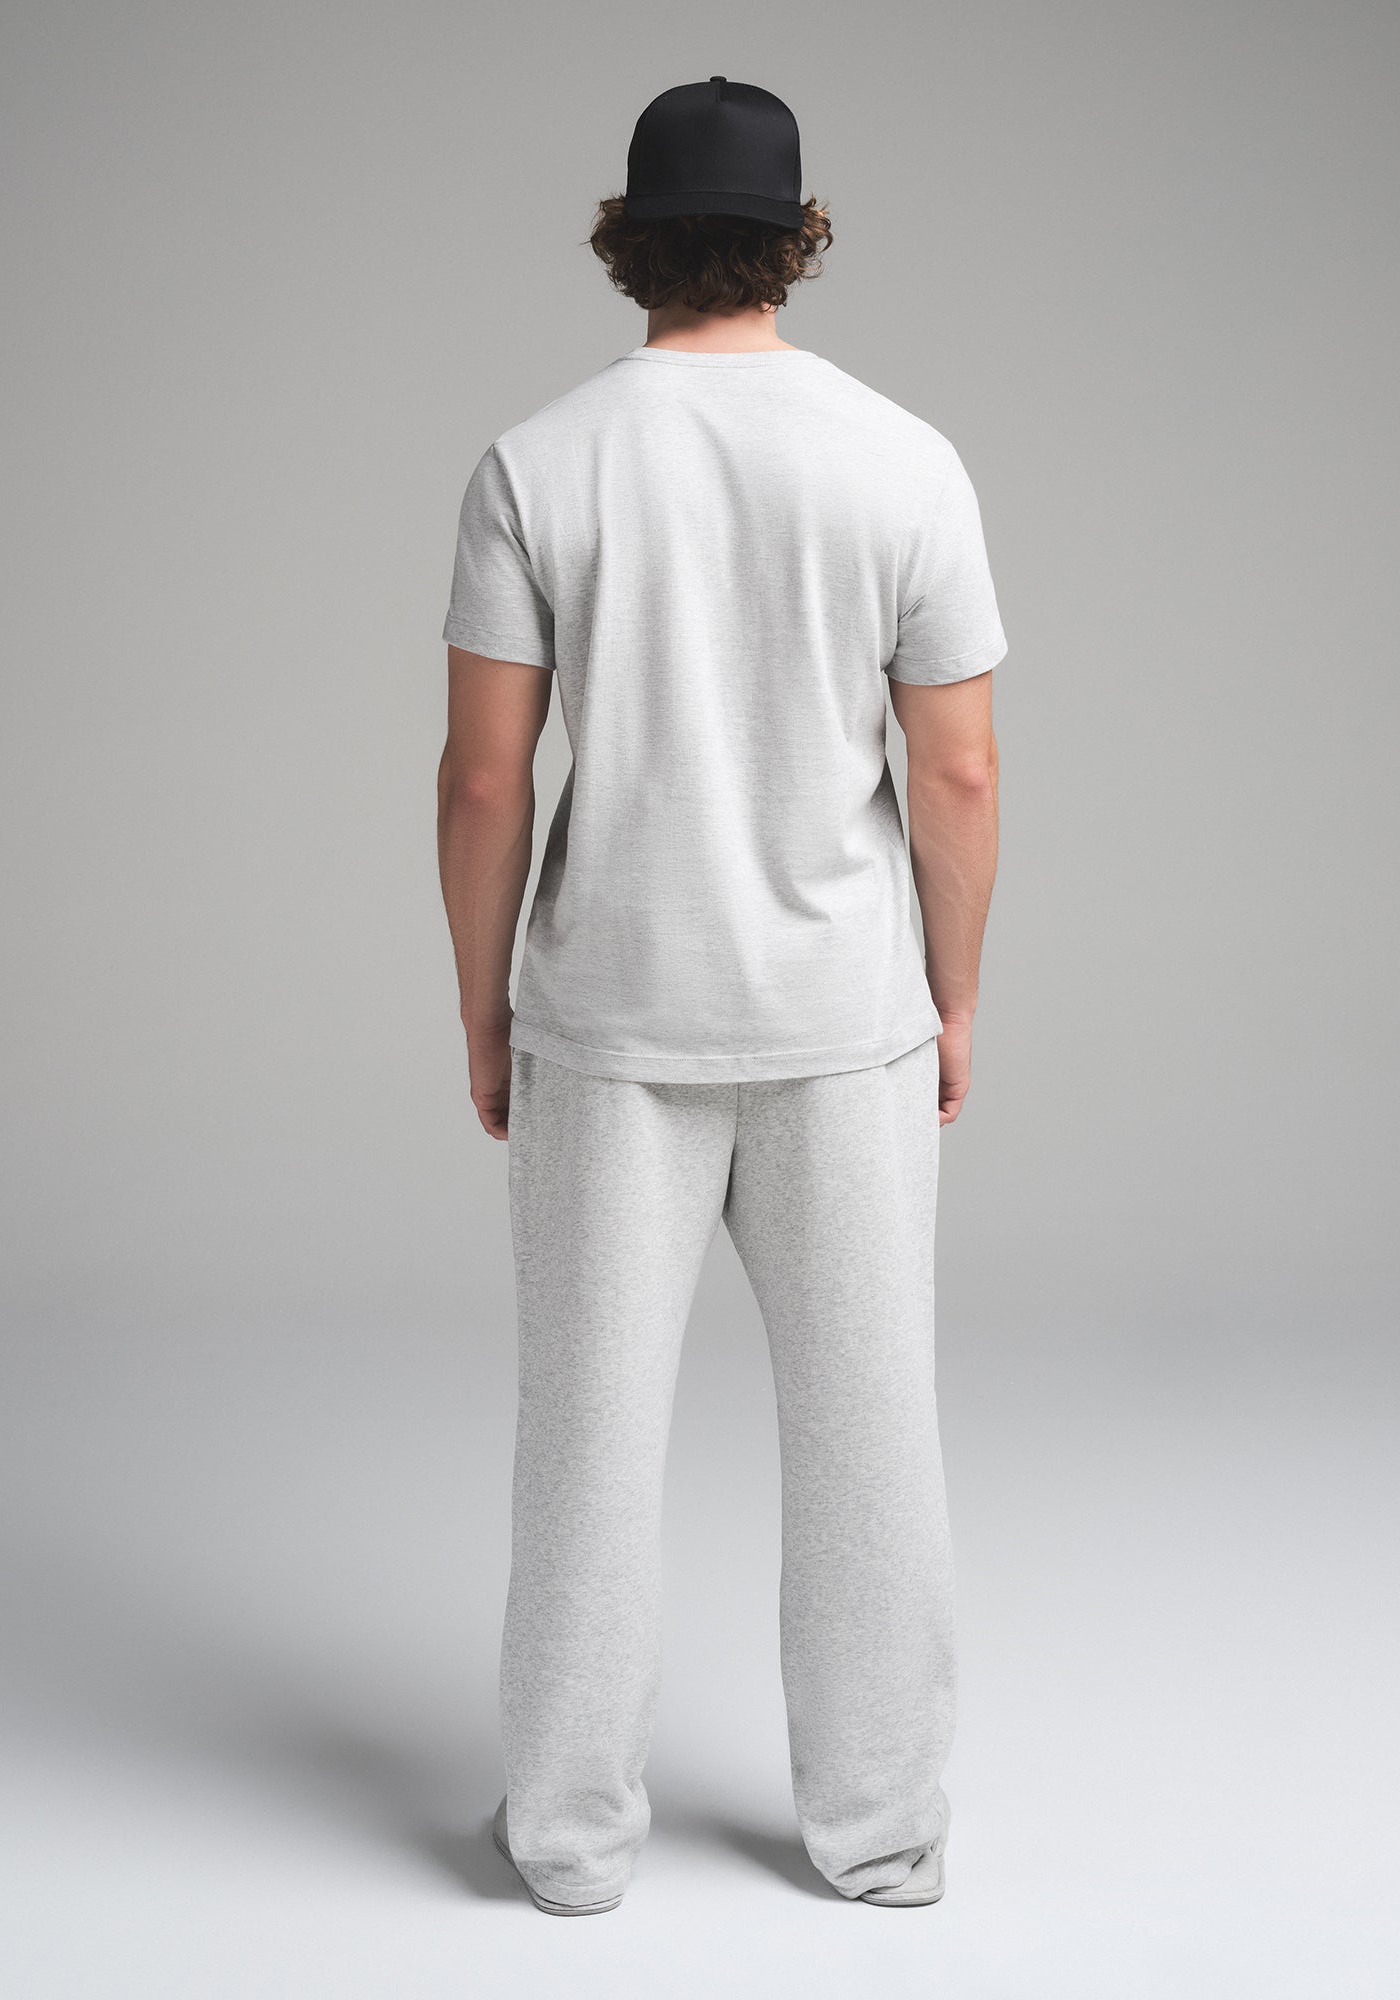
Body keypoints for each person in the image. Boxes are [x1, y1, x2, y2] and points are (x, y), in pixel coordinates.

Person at [435, 75, 1004, 1915]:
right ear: (798, 237)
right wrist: (956, 994)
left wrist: (482, 1007)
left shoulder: (537, 464)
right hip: (844, 1017)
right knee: (871, 1442)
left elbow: (484, 784)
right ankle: (880, 1833)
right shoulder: (905, 460)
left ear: (628, 239)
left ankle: (569, 1841)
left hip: (609, 1017)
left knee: (587, 1446)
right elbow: (960, 772)